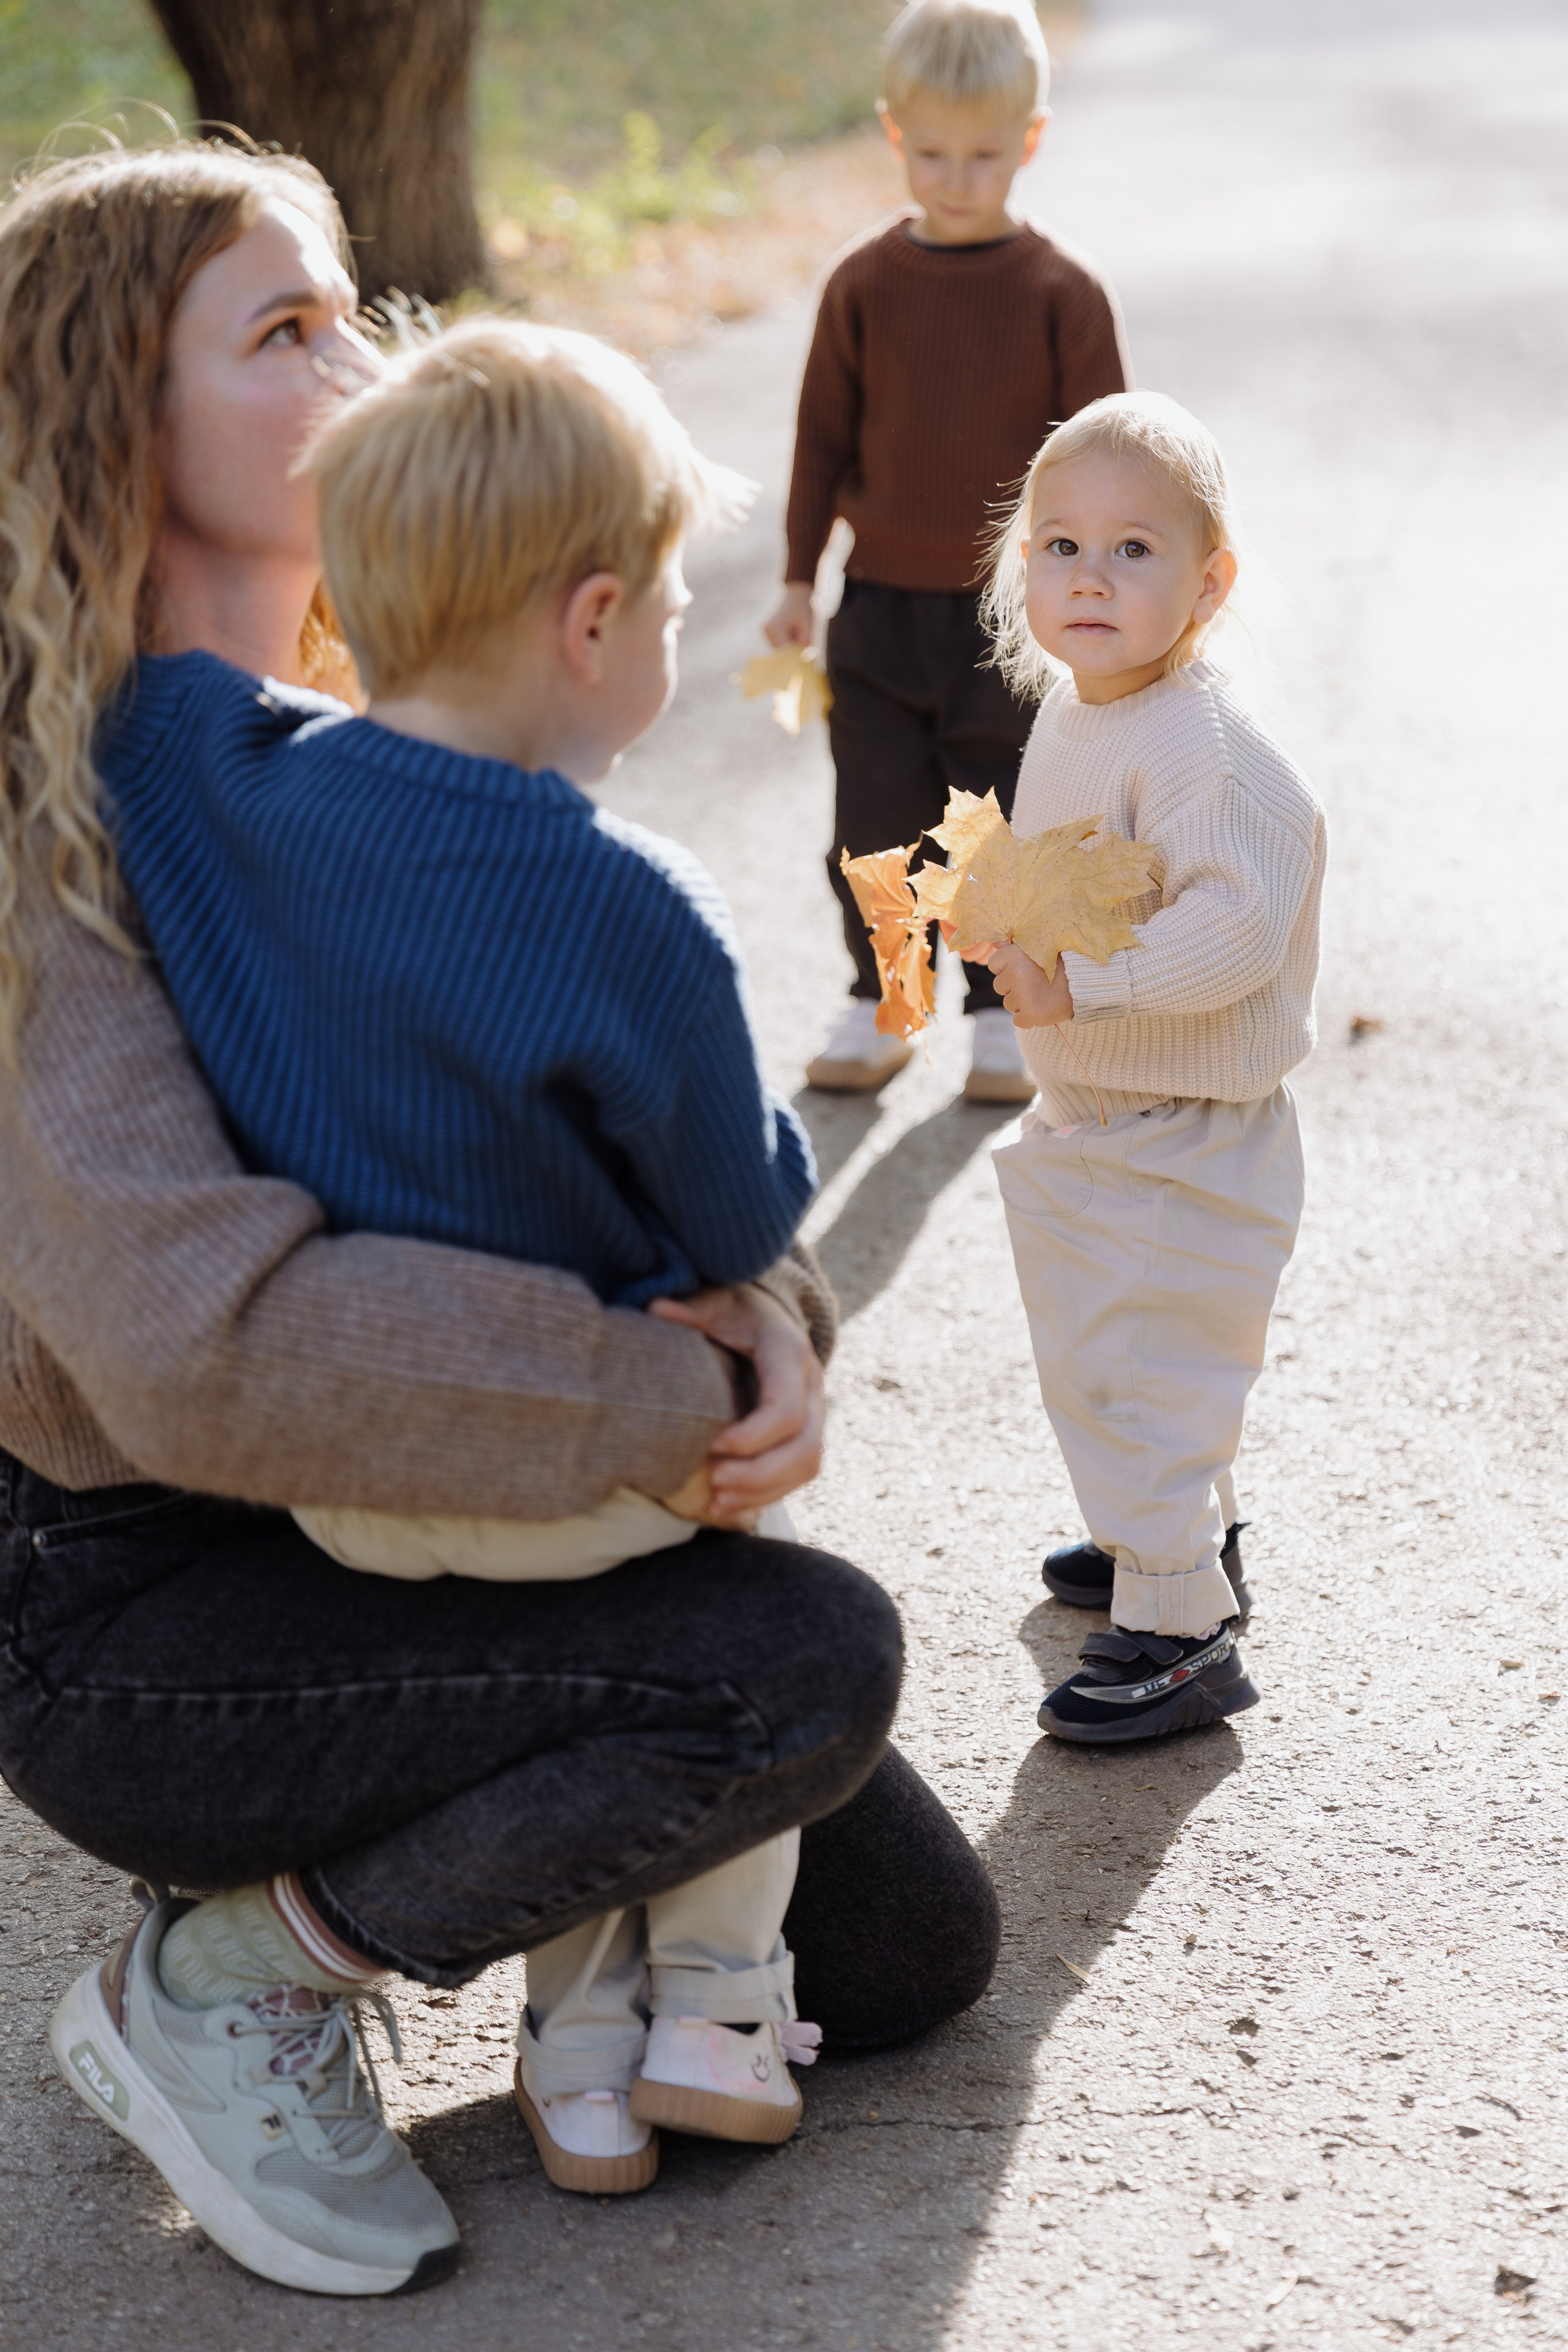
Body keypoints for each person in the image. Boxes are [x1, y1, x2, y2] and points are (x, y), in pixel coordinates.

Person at [0, 140, 1000, 2300]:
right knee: (797, 1665)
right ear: (108, 426)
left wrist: (780, 1310)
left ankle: (499, 1888)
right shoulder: (48, 840)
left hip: (412, 1513)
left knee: (908, 1947)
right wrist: (668, 1379)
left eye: (359, 303)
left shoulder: (379, 749)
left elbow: (609, 1111)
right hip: (139, 1613)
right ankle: (239, 1975)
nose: (367, 363)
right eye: (286, 331)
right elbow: (201, 1351)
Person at [99, 312, 832, 2196]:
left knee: (565, 1658)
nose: (673, 635)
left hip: (350, 1488)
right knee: (724, 1627)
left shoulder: (198, 777)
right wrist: (769, 1220)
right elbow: (739, 1218)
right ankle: (708, 2013)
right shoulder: (631, 909)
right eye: (673, 605)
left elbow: (141, 688)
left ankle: (580, 2070)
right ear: (592, 624)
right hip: (572, 1464)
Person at [976, 390, 1326, 1742]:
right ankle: (1179, 1538)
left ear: (1207, 579)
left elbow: (1232, 928)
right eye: (1060, 546)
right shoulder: (1084, 709)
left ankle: (1180, 1628)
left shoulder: (1204, 749)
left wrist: (1094, 984)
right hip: (1106, 1103)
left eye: (1134, 550)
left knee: (1139, 1362)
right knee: (1115, 1350)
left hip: (1190, 1119)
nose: (1090, 577)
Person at [766, 0, 1128, 1104]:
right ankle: (885, 999)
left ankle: (1000, 1009)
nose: (955, 178)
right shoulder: (864, 288)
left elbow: (1108, 462)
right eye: (931, 154)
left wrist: (1101, 601)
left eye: (982, 155)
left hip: (1009, 621)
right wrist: (795, 576)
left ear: (1029, 140)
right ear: (893, 136)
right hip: (877, 609)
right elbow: (823, 439)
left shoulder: (1063, 296)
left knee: (1002, 821)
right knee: (875, 816)